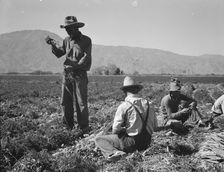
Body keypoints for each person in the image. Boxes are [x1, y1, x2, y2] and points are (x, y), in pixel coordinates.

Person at [45, 16, 92, 133]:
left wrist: (74, 66)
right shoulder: (66, 40)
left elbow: (86, 58)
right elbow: (60, 52)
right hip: (67, 74)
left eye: (70, 28)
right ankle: (68, 127)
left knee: (81, 103)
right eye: (66, 29)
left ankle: (84, 129)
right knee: (66, 101)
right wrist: (52, 44)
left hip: (79, 74)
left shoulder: (86, 40)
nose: (67, 31)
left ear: (76, 27)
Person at [95, 76, 158, 162]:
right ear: (137, 90)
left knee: (99, 139)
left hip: (131, 143)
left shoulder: (124, 106)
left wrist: (124, 129)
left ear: (125, 91)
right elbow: (155, 127)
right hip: (146, 143)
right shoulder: (149, 104)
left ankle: (116, 153)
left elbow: (115, 130)